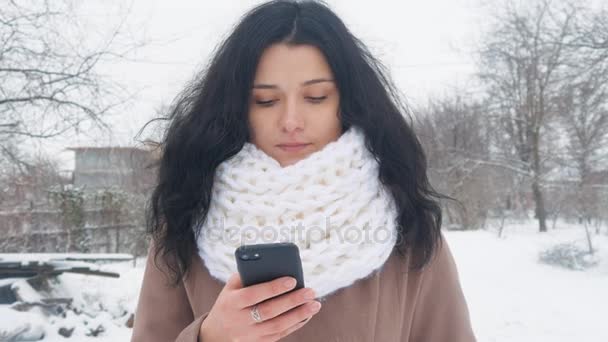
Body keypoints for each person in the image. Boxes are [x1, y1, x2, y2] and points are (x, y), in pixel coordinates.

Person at [131, 1, 476, 341]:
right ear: (235, 108)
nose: (291, 121)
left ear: (348, 103)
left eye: (316, 97)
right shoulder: (185, 220)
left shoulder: (409, 225)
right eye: (265, 100)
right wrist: (209, 337)